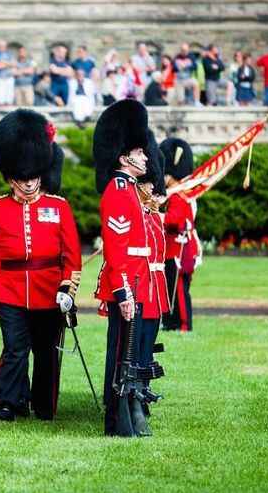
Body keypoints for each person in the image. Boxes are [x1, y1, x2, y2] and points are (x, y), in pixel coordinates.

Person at [0, 109, 82, 422]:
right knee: (14, 350)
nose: (29, 183)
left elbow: (71, 255)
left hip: (49, 289)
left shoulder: (58, 207)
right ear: (10, 178)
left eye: (33, 177)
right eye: (23, 179)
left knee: (47, 352)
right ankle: (10, 403)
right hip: (9, 290)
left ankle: (44, 404)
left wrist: (68, 288)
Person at [92, 99, 152, 437]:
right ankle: (115, 422)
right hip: (126, 286)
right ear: (123, 157)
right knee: (120, 355)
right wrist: (123, 291)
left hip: (138, 283)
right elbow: (117, 250)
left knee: (127, 354)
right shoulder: (118, 191)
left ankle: (127, 418)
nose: (145, 157)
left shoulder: (129, 190)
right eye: (139, 152)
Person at [135, 130, 169, 431]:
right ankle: (136, 394)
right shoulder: (138, 214)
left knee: (149, 343)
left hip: (155, 287)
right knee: (139, 344)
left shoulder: (154, 216)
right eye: (148, 185)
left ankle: (143, 390)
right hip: (140, 286)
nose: (153, 191)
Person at [159, 137, 197, 332]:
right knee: (170, 289)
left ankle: (183, 324)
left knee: (179, 291)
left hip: (179, 251)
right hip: (171, 250)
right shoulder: (174, 194)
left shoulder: (179, 196)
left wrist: (156, 216)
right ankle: (171, 322)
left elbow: (174, 220)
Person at [0, 40, 16, 106]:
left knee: (9, 99)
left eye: (3, 46)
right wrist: (8, 64)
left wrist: (3, 62)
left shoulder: (10, 54)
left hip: (8, 78)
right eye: (0, 46)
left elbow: (14, 64)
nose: (2, 47)